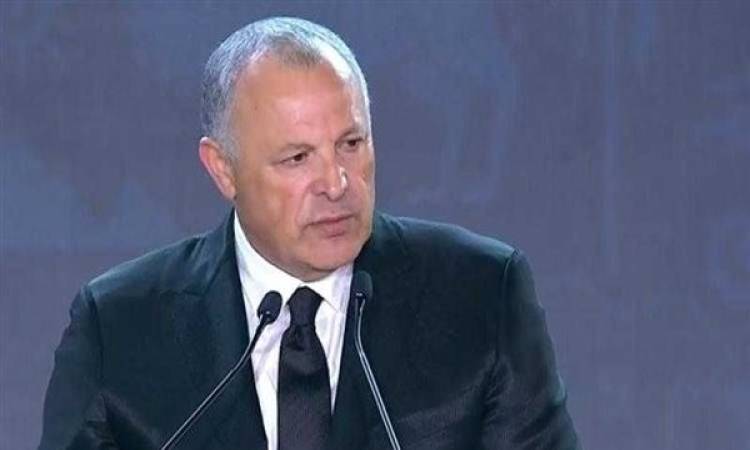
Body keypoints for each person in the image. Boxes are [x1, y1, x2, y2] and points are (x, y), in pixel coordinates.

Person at [39, 17, 580, 450]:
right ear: (223, 170)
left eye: (351, 144)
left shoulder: (482, 295)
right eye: (297, 158)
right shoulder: (117, 327)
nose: (337, 183)